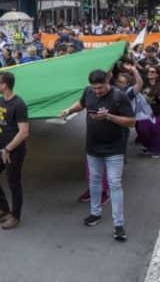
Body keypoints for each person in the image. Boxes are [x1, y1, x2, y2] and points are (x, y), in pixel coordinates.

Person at [59, 69, 135, 241]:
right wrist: (68, 111)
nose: (97, 92)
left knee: (114, 183)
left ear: (108, 82)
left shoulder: (119, 97)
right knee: (94, 180)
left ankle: (118, 225)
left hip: (114, 148)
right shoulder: (88, 92)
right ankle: (95, 213)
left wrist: (108, 117)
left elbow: (131, 121)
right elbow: (81, 104)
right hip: (93, 147)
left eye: (100, 88)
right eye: (94, 88)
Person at [0, 72, 29, 230]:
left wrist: (8, 149)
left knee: (13, 183)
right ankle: (3, 208)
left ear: (5, 85)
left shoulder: (19, 104)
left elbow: (24, 132)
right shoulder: (1, 100)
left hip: (13, 151)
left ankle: (15, 216)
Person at [137, 65, 160, 158]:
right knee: (142, 131)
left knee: (156, 132)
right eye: (149, 71)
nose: (149, 73)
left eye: (152, 72)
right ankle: (146, 145)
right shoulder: (143, 83)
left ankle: (155, 150)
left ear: (157, 74)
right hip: (144, 113)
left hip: (158, 112)